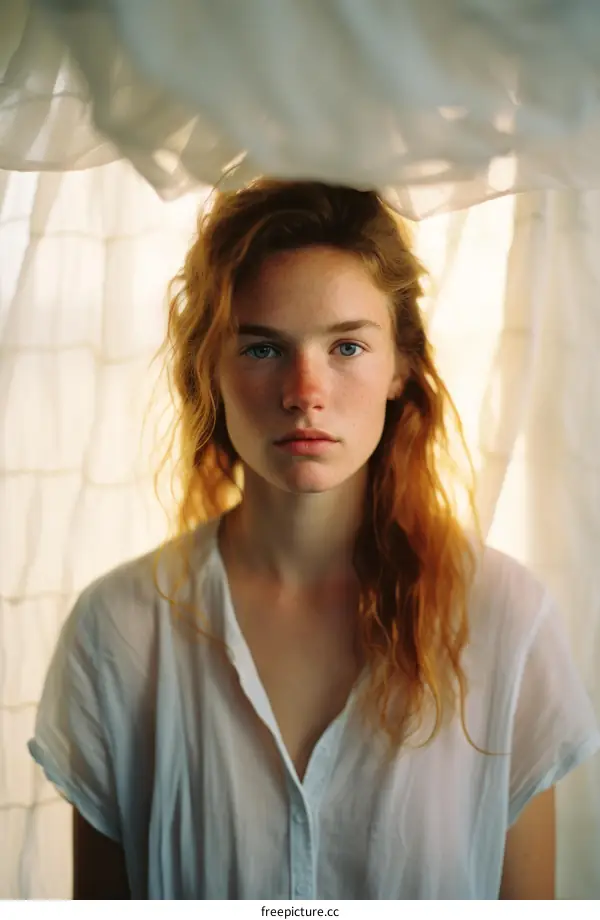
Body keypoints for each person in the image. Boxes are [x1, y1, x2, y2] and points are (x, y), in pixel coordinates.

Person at [28, 179, 600, 900]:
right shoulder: (118, 629)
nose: (305, 390)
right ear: (209, 367)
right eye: (264, 349)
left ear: (401, 366)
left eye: (347, 346)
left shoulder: (505, 620)